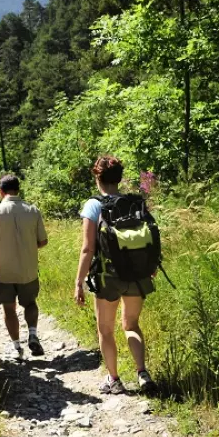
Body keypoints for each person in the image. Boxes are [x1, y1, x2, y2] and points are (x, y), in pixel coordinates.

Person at [73, 156, 156, 395]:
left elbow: (88, 249)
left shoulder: (93, 205)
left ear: (97, 177)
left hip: (107, 277)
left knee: (106, 330)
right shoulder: (134, 202)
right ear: (119, 178)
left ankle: (114, 380)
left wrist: (78, 282)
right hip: (137, 273)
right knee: (131, 324)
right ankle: (142, 373)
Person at [0, 174, 48, 359]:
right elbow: (43, 241)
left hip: (3, 272)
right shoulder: (33, 210)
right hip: (28, 269)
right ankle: (33, 334)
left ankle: (17, 347)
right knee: (30, 303)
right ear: (18, 189)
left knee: (9, 309)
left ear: (1, 191)